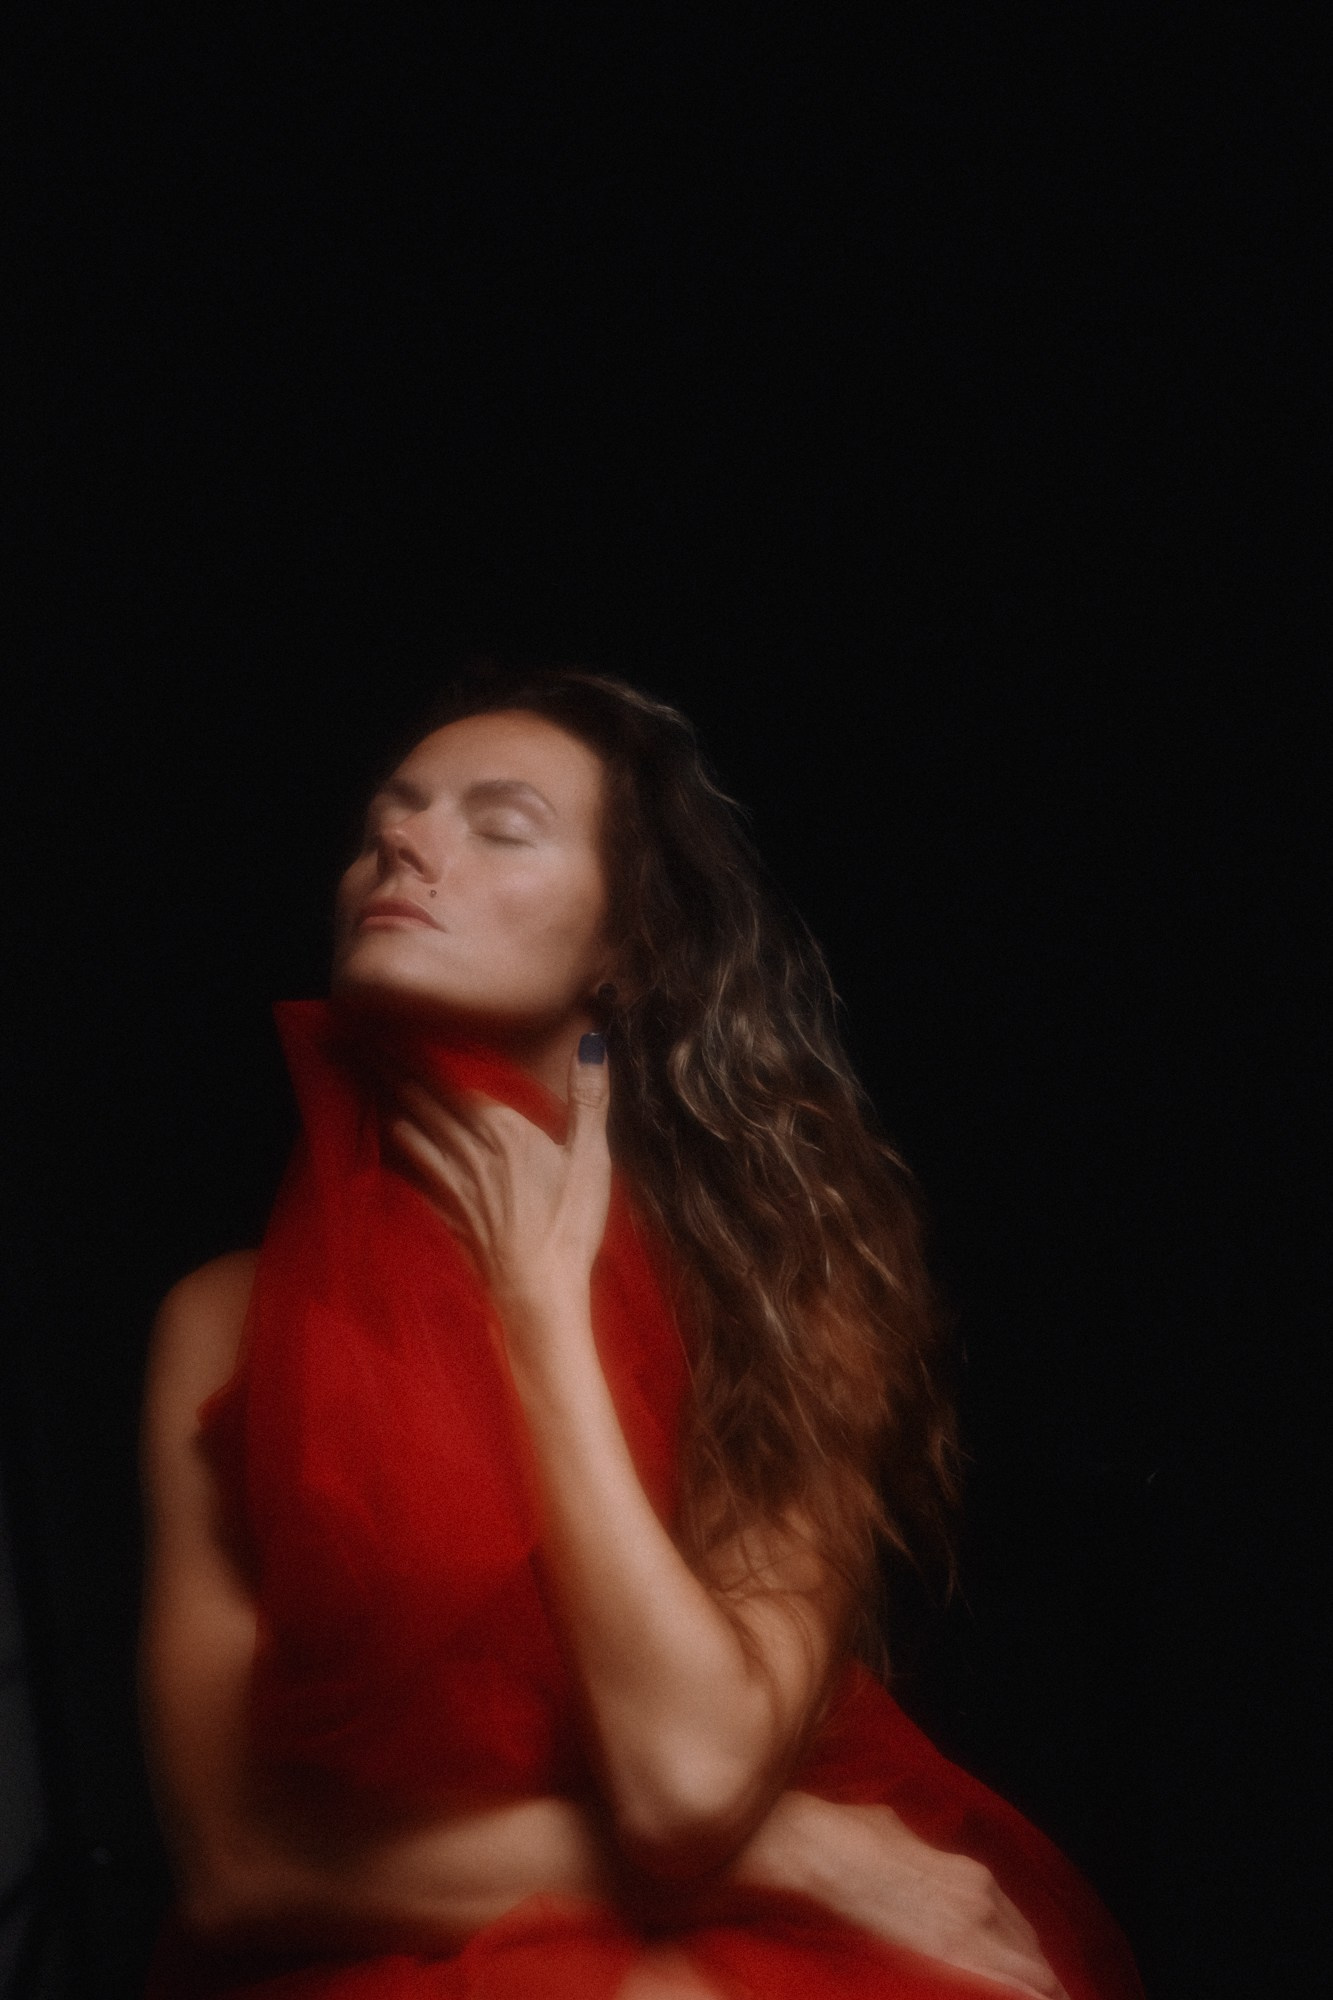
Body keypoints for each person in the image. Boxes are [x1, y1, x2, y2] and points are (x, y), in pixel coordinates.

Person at [139, 665, 1145, 1999]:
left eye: (500, 827)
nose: (404, 842)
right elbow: (236, 1869)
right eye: (389, 816)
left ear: (627, 953)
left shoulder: (785, 1296)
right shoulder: (221, 1323)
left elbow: (684, 1786)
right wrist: (799, 1851)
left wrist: (539, 1309)